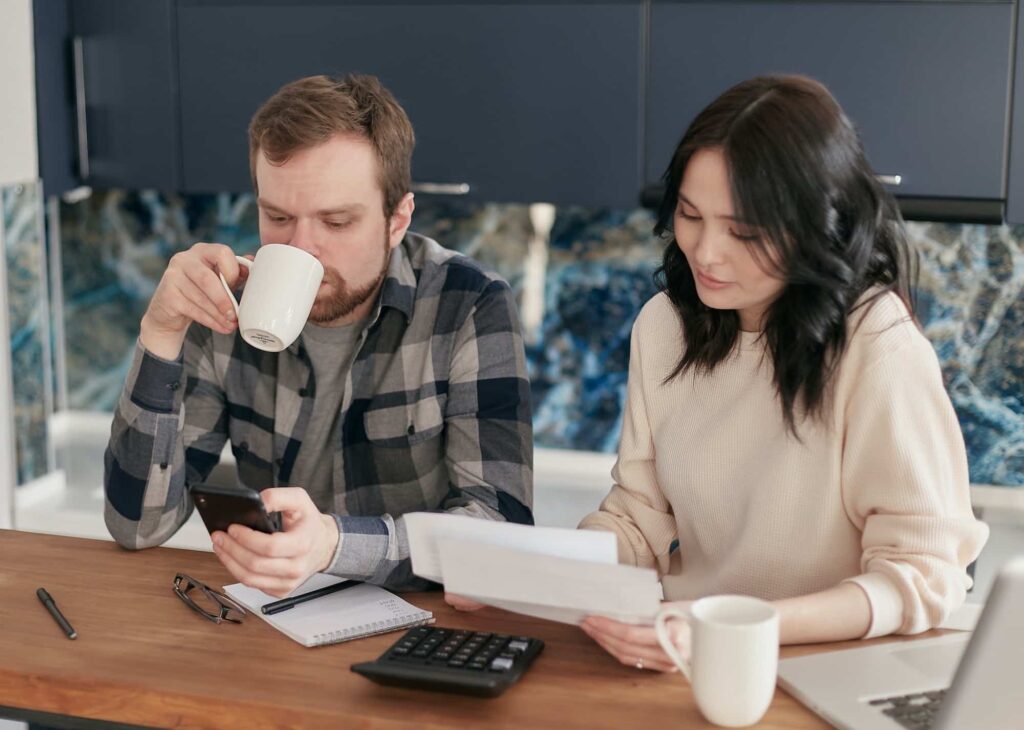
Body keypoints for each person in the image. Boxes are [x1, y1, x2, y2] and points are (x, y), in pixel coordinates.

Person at [573, 75, 987, 672]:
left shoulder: (876, 343)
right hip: (687, 661)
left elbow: (923, 575)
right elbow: (639, 519)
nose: (706, 252)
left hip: (831, 671)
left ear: (818, 224)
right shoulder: (664, 325)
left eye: (745, 231)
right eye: (690, 215)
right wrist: (545, 571)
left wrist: (738, 629)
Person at [104, 74, 533, 594]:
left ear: (397, 220)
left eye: (336, 222)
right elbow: (136, 526)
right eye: (278, 216)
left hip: (417, 621)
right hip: (275, 618)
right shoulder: (226, 302)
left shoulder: (468, 304)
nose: (301, 247)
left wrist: (332, 546)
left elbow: (500, 535)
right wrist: (161, 332)